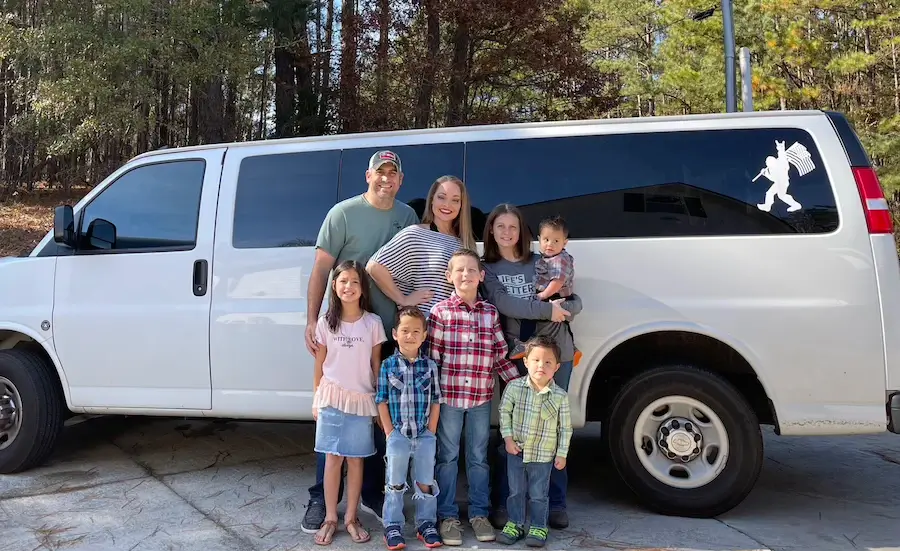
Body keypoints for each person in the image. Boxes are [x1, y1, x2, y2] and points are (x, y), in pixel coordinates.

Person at [302, 150, 421, 534]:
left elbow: (415, 264)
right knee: (333, 418)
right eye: (380, 172)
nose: (386, 179)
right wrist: (312, 319)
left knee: (377, 419)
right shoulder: (342, 213)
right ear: (368, 175)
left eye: (393, 173)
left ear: (401, 180)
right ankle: (323, 497)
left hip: (391, 336)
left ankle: (370, 492)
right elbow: (322, 268)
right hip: (344, 333)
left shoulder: (407, 217)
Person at [479, 203, 582, 531]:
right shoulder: (488, 269)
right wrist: (547, 310)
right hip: (517, 357)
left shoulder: (542, 261)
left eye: (513, 227)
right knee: (511, 428)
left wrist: (564, 308)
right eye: (500, 227)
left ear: (523, 232)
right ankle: (507, 502)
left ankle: (555, 503)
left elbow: (573, 300)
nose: (507, 233)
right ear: (491, 232)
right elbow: (504, 304)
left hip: (557, 355)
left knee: (552, 428)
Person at [426, 249, 522, 546]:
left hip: (481, 398)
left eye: (471, 270)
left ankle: (479, 513)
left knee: (479, 457)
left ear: (481, 276)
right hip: (450, 399)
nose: (465, 275)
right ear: (449, 276)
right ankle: (447, 515)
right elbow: (432, 360)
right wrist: (429, 402)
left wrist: (519, 388)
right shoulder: (440, 313)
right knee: (447, 457)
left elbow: (500, 356)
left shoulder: (490, 313)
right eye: (459, 270)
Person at [311, 261, 386, 545]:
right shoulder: (325, 322)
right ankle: (331, 517)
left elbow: (376, 367)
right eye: (343, 281)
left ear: (362, 288)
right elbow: (319, 365)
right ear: (334, 285)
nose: (349, 287)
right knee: (332, 459)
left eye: (355, 282)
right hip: (331, 398)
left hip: (361, 401)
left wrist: (380, 405)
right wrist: (315, 398)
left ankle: (351, 517)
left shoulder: (373, 323)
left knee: (356, 461)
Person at [375, 306, 444, 550]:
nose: (410, 335)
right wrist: (389, 432)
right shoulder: (388, 365)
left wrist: (432, 431)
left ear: (425, 335)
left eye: (416, 331)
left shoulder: (430, 367)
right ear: (395, 333)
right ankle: (393, 525)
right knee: (394, 481)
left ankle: (426, 524)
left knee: (425, 480)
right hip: (398, 435)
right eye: (405, 330)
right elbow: (381, 400)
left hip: (424, 434)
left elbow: (436, 399)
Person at [496, 336, 572, 548]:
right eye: (536, 360)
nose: (541, 366)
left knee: (539, 494)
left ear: (556, 367)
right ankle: (515, 523)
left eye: (548, 362)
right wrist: (508, 439)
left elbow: (565, 428)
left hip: (543, 455)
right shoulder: (514, 388)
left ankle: (539, 526)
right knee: (516, 491)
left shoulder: (559, 396)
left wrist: (562, 454)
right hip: (516, 451)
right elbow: (505, 413)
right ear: (526, 361)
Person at [367, 175, 477, 317]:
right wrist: (404, 299)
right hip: (424, 327)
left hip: (456, 330)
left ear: (462, 205)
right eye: (441, 197)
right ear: (431, 199)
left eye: (455, 200)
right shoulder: (415, 234)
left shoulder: (465, 243)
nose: (447, 205)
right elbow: (374, 266)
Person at [506, 216, 580, 367]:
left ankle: (524, 344)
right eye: (546, 240)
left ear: (565, 242)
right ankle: (573, 349)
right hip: (553, 295)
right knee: (560, 325)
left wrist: (542, 296)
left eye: (556, 241)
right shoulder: (547, 258)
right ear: (539, 239)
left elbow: (557, 281)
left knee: (530, 317)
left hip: (554, 295)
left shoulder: (560, 259)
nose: (550, 244)